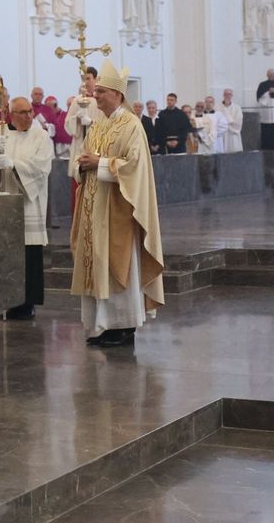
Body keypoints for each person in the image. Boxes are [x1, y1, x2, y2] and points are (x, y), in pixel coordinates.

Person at [71, 58, 164, 348]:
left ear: (118, 95)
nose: (94, 95)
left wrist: (100, 163)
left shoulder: (131, 125)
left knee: (118, 265)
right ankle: (102, 324)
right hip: (93, 208)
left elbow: (135, 166)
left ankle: (123, 327)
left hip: (119, 209)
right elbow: (85, 158)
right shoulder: (97, 125)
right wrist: (83, 165)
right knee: (97, 265)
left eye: (101, 91)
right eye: (95, 90)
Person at [0, 97, 54, 321]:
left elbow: (42, 167)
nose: (29, 116)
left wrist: (14, 165)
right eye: (22, 112)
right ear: (10, 114)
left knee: (29, 255)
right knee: (6, 254)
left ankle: (27, 303)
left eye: (30, 111)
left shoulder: (40, 135)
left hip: (29, 203)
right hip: (5, 203)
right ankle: (7, 300)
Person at [65, 67, 104, 196]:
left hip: (96, 148)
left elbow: (107, 124)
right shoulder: (77, 101)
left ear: (96, 79)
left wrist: (91, 122)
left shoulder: (101, 100)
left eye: (88, 78)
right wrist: (76, 119)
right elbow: (67, 124)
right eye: (83, 79)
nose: (85, 82)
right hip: (79, 147)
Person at [218, 89, 243, 153]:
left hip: (233, 134)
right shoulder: (217, 107)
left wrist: (226, 119)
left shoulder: (237, 108)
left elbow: (238, 121)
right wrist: (228, 122)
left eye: (229, 94)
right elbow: (216, 120)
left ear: (232, 96)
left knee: (234, 152)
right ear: (223, 95)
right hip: (222, 133)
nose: (227, 96)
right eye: (226, 94)